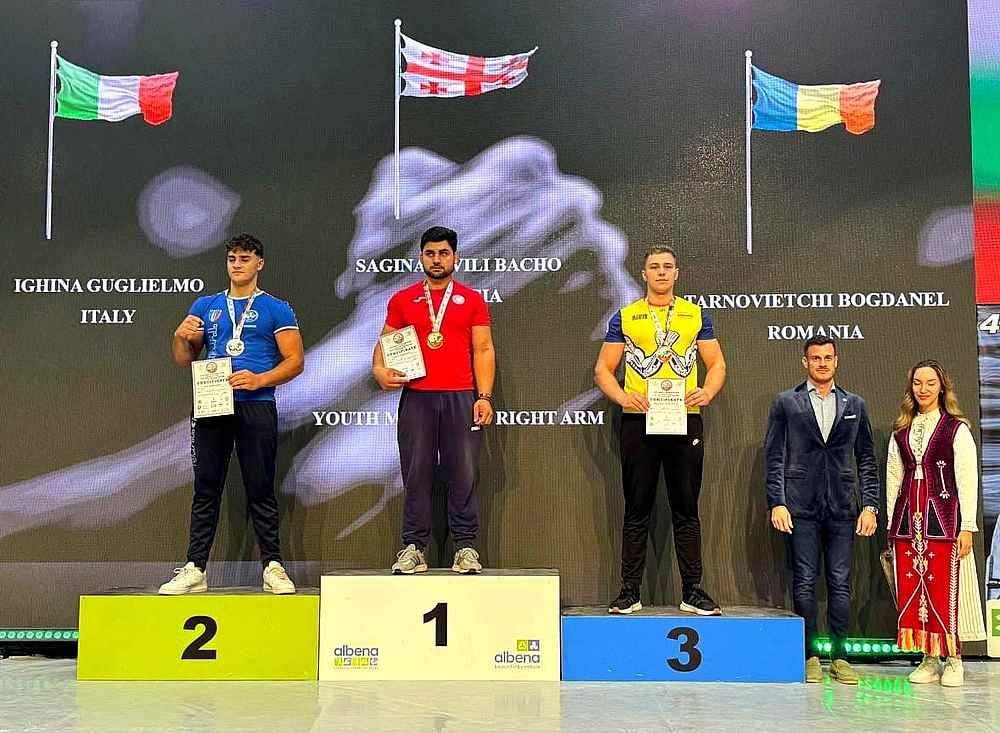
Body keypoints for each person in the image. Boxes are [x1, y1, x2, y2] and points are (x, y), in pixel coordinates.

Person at [160, 233, 304, 595]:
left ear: (260, 263)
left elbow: (295, 361)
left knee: (260, 486)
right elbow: (184, 358)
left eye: (244, 258)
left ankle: (273, 566)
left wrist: (260, 379)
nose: (237, 265)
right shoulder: (206, 305)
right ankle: (195, 568)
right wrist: (179, 337)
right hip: (212, 403)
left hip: (257, 403)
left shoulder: (276, 308)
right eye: (232, 259)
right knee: (206, 487)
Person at [594, 246, 726, 616]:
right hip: (640, 421)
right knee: (637, 507)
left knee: (686, 508)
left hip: (685, 418)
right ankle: (629, 592)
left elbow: (716, 363)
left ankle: (693, 591)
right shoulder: (626, 316)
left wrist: (707, 391)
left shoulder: (695, 315)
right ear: (644, 274)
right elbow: (603, 369)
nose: (662, 272)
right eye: (655, 267)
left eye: (668, 267)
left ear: (677, 273)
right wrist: (624, 397)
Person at [372, 226, 495, 574]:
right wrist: (379, 370)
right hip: (418, 398)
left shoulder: (472, 300)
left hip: (461, 396)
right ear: (421, 257)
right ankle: (414, 547)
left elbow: (483, 349)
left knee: (463, 473)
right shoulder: (403, 300)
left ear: (455, 257)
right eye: (430, 253)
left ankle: (465, 547)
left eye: (443, 253)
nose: (437, 260)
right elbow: (385, 343)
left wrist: (484, 396)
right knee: (416, 473)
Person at [764, 337, 879, 684]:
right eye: (816, 358)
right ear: (805, 362)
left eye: (828, 357)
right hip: (800, 506)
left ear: (836, 361)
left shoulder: (855, 404)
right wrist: (777, 502)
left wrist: (870, 505)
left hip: (843, 508)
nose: (822, 363)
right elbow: (775, 457)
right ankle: (809, 655)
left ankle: (840, 657)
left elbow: (867, 460)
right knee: (804, 582)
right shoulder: (787, 402)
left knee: (841, 583)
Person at [887, 360, 987, 687]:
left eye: (930, 383)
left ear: (942, 387)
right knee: (917, 591)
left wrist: (967, 526)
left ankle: (954, 659)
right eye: (918, 383)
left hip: (944, 521)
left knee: (946, 590)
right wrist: (891, 524)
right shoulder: (902, 431)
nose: (924, 389)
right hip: (909, 523)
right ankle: (929, 658)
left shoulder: (956, 429)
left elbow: (967, 479)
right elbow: (893, 477)